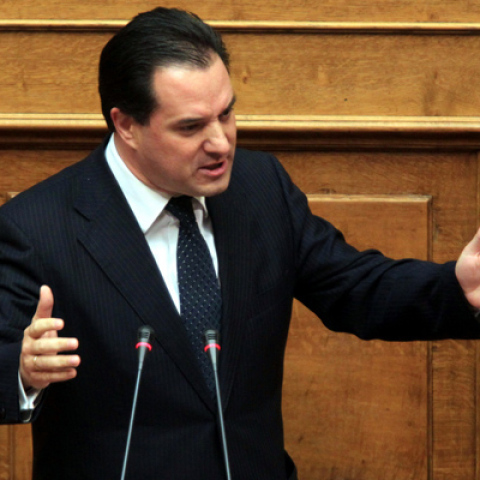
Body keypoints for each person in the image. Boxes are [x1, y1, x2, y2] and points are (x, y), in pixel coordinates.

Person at [1, 6, 480, 480]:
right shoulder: (37, 228)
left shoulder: (260, 187)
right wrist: (22, 371)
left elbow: (356, 287)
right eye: (191, 127)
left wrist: (458, 287)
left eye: (226, 113)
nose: (221, 142)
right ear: (126, 125)